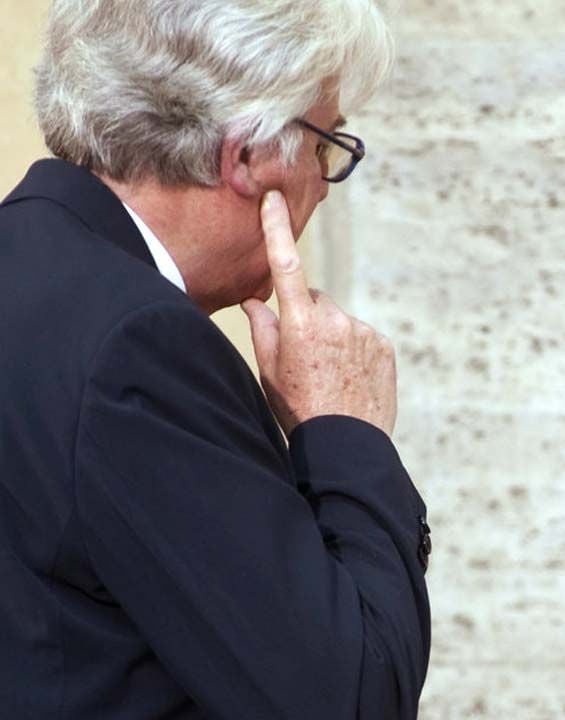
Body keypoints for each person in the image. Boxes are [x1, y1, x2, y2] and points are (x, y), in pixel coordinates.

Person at [0, 1, 430, 718]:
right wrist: (346, 433)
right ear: (249, 156)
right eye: (324, 145)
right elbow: (351, 696)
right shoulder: (139, 348)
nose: (323, 184)